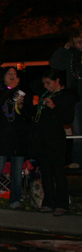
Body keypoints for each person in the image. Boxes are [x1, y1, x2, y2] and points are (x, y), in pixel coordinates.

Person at [0, 66, 32, 209]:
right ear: (3, 77)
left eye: (14, 73)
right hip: (2, 135)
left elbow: (30, 115)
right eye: (9, 73)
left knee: (17, 170)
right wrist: (9, 89)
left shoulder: (23, 92)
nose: (12, 76)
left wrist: (22, 107)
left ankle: (15, 199)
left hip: (18, 136)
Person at [31, 69, 77, 216]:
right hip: (43, 138)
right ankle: (48, 202)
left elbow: (67, 119)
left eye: (49, 83)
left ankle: (62, 204)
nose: (46, 86)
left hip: (56, 139)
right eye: (44, 83)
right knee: (46, 172)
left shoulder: (66, 96)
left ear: (58, 81)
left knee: (58, 171)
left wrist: (54, 107)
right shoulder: (46, 95)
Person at [49, 30, 82, 167]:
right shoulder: (71, 56)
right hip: (76, 98)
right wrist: (65, 48)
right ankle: (78, 160)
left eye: (80, 42)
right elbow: (55, 64)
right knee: (78, 131)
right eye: (76, 43)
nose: (79, 46)